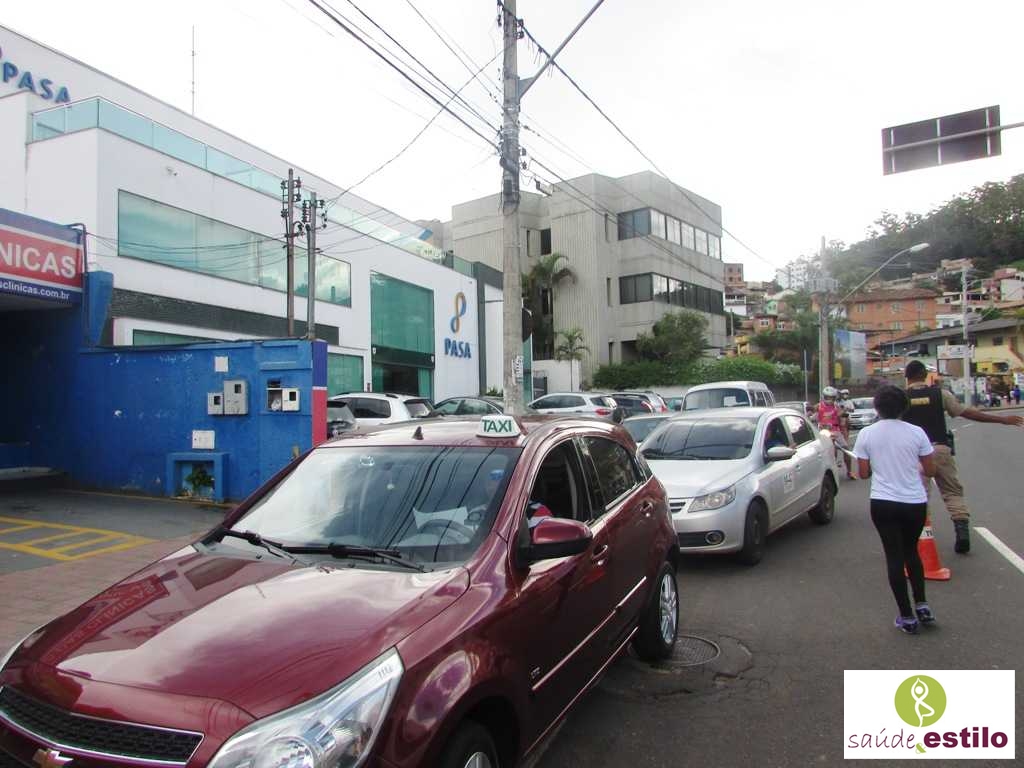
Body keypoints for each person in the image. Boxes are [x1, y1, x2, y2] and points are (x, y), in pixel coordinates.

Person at [902, 360, 1024, 554]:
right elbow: (966, 413)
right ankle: (962, 532)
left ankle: (921, 537)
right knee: (952, 492)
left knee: (919, 495)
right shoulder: (941, 394)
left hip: (915, 454)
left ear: (907, 377)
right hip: (940, 448)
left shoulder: (902, 398)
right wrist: (1002, 420)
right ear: (925, 376)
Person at [854, 386, 937, 635]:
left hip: (883, 502)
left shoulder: (866, 434)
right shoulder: (917, 432)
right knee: (912, 552)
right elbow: (931, 470)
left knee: (894, 556)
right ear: (904, 407)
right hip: (914, 502)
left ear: (877, 407)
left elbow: (863, 473)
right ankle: (922, 604)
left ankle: (906, 616)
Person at [817, 386, 854, 479]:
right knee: (830, 450)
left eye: (831, 398)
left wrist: (844, 412)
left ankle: (849, 471)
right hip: (823, 431)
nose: (829, 400)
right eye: (827, 397)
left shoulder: (836, 406)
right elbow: (811, 414)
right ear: (824, 397)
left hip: (835, 431)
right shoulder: (819, 406)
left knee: (846, 449)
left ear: (834, 398)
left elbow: (840, 414)